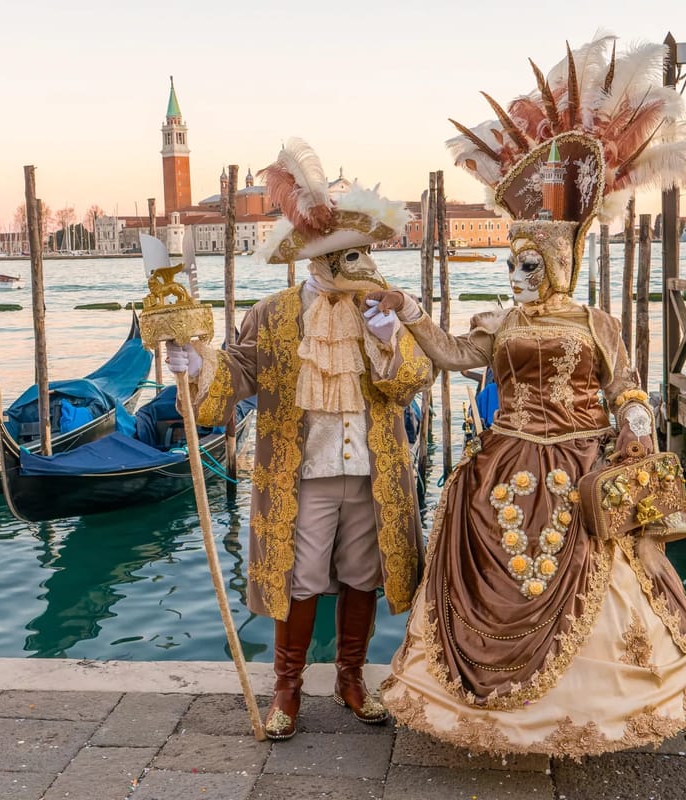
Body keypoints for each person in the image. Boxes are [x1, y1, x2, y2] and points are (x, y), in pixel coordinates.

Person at [377, 35, 686, 759]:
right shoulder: (499, 322)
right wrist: (414, 315)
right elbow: (455, 358)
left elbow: (624, 384)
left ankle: (593, 711)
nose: (513, 275)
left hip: (579, 468)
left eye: (526, 264)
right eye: (509, 263)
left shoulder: (593, 322)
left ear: (551, 265)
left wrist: (637, 415)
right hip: (503, 460)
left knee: (595, 576)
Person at [166, 138, 433, 740]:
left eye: (359, 254)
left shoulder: (381, 310)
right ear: (315, 258)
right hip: (300, 474)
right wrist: (197, 363)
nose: (356, 265)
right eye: (344, 256)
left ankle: (351, 679)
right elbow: (236, 373)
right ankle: (287, 689)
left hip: (374, 470)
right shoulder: (274, 314)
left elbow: (413, 382)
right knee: (299, 577)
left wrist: (392, 338)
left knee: (364, 574)